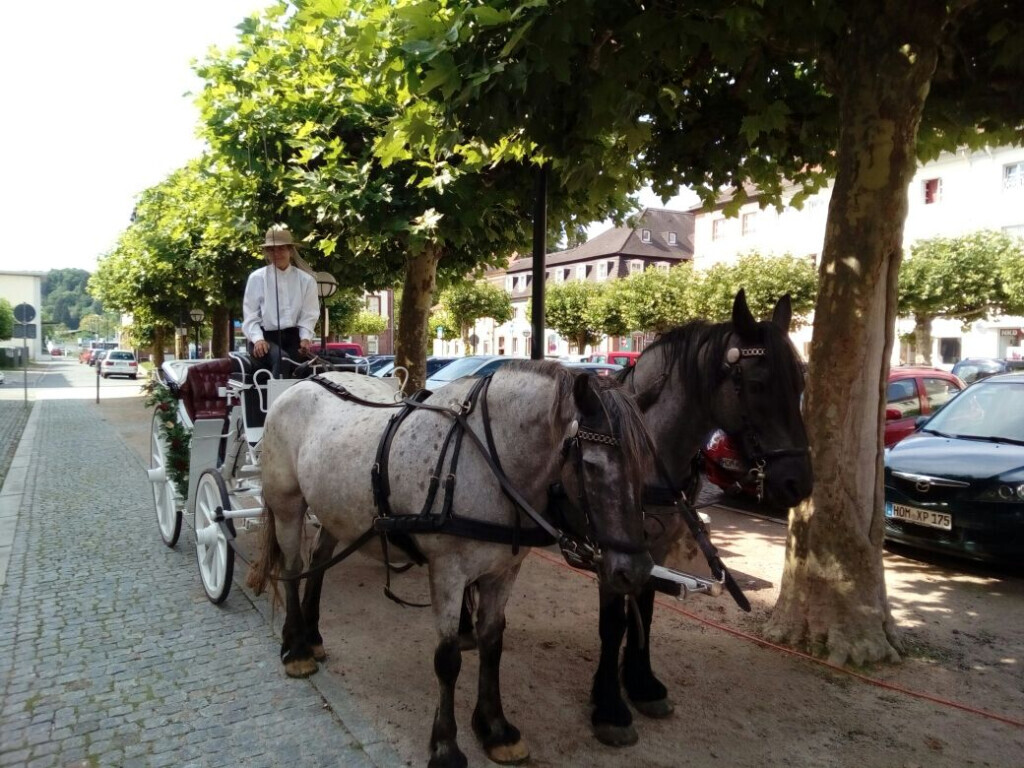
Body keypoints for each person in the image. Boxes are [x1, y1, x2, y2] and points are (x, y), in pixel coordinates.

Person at [242, 225, 320, 374]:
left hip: (293, 337)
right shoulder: (257, 278)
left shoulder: (306, 280)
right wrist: (258, 339)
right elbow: (250, 315)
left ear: (290, 250)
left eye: (281, 248)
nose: (276, 253)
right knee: (282, 359)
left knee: (306, 367)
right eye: (271, 249)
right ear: (266, 252)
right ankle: (275, 397)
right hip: (265, 337)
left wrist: (305, 338)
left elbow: (309, 314)